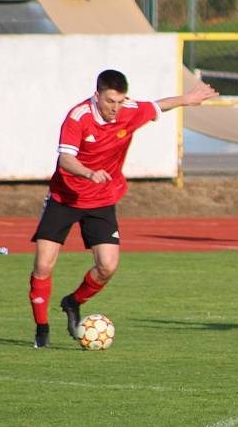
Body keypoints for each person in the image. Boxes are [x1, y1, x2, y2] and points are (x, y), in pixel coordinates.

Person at [29, 70, 219, 348]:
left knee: (107, 266)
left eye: (119, 102)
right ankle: (42, 330)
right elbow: (65, 159)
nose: (115, 109)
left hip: (102, 199)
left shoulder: (128, 111)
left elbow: (157, 106)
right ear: (97, 96)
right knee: (43, 264)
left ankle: (73, 302)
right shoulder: (77, 117)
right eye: (109, 102)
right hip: (65, 197)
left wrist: (187, 99)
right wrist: (89, 173)